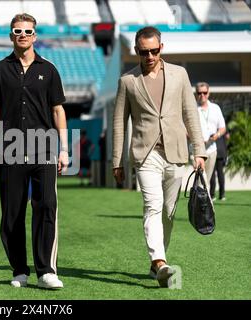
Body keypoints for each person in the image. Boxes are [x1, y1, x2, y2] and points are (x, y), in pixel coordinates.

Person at [0, 13, 68, 289]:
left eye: (28, 31)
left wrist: (64, 150)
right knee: (12, 213)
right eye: (18, 31)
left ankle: (46, 271)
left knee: (46, 207)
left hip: (45, 149)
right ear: (11, 35)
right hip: (10, 150)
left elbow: (58, 110)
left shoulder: (49, 69)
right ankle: (19, 270)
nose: (23, 35)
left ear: (35, 35)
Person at [112, 26, 206, 287]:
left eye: (154, 50)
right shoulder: (128, 81)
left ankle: (157, 263)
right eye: (144, 52)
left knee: (169, 212)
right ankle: (160, 262)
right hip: (146, 154)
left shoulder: (180, 74)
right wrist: (117, 160)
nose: (150, 56)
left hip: (176, 153)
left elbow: (191, 114)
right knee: (152, 205)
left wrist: (199, 150)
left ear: (161, 48)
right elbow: (119, 122)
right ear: (136, 51)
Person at [195, 82, 226, 185]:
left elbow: (222, 128)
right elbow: (184, 128)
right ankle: (200, 200)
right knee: (200, 180)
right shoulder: (192, 108)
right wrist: (197, 139)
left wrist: (216, 135)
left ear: (208, 93)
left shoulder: (215, 108)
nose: (202, 95)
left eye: (205, 92)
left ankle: (204, 200)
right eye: (199, 93)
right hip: (196, 150)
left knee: (206, 181)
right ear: (196, 94)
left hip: (212, 149)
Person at [210, 131, 229, 201]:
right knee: (220, 174)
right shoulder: (222, 129)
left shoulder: (211, 128)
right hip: (221, 152)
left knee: (212, 175)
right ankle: (222, 195)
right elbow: (227, 137)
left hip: (213, 151)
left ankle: (212, 195)